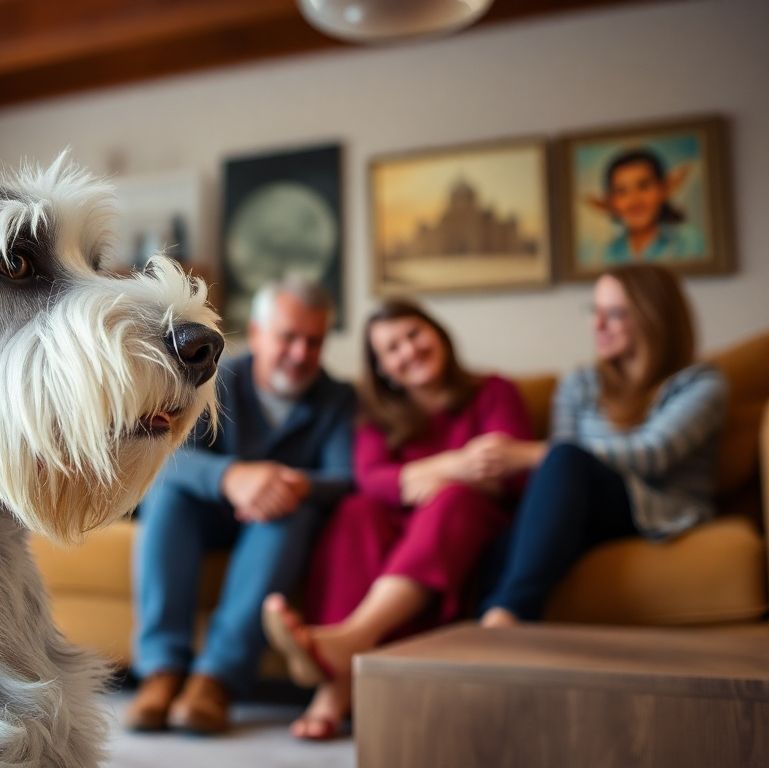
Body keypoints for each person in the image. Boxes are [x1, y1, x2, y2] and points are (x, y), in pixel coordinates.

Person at [263, 299, 532, 741]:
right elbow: (371, 480)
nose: (408, 350)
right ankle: (340, 678)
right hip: (399, 526)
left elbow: (506, 469)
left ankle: (349, 646)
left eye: (414, 334)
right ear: (383, 369)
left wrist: (424, 478)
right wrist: (457, 463)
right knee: (356, 511)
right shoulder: (374, 414)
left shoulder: (493, 391)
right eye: (391, 348)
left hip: (470, 525)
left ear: (438, 334)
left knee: (452, 499)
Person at [126, 276, 356, 736]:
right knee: (167, 494)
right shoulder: (217, 377)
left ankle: (216, 680)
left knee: (289, 509)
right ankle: (161, 671)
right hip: (208, 514)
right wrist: (232, 477)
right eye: (288, 338)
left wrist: (288, 484)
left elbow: (345, 477)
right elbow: (168, 453)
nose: (300, 354)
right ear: (256, 334)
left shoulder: (338, 398)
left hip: (276, 522)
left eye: (313, 342)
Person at [478, 264, 727, 627]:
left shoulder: (701, 384)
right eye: (594, 311)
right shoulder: (580, 383)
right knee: (503, 537)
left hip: (656, 508)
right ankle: (482, 629)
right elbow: (558, 477)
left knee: (564, 458)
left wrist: (531, 453)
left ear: (653, 317)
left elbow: (653, 452)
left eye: (614, 314)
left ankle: (507, 617)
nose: (597, 325)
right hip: (587, 505)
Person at [592, 148, 705, 264]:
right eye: (621, 192)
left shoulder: (689, 241)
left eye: (644, 186)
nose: (634, 201)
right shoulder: (609, 252)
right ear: (612, 202)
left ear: (662, 189)